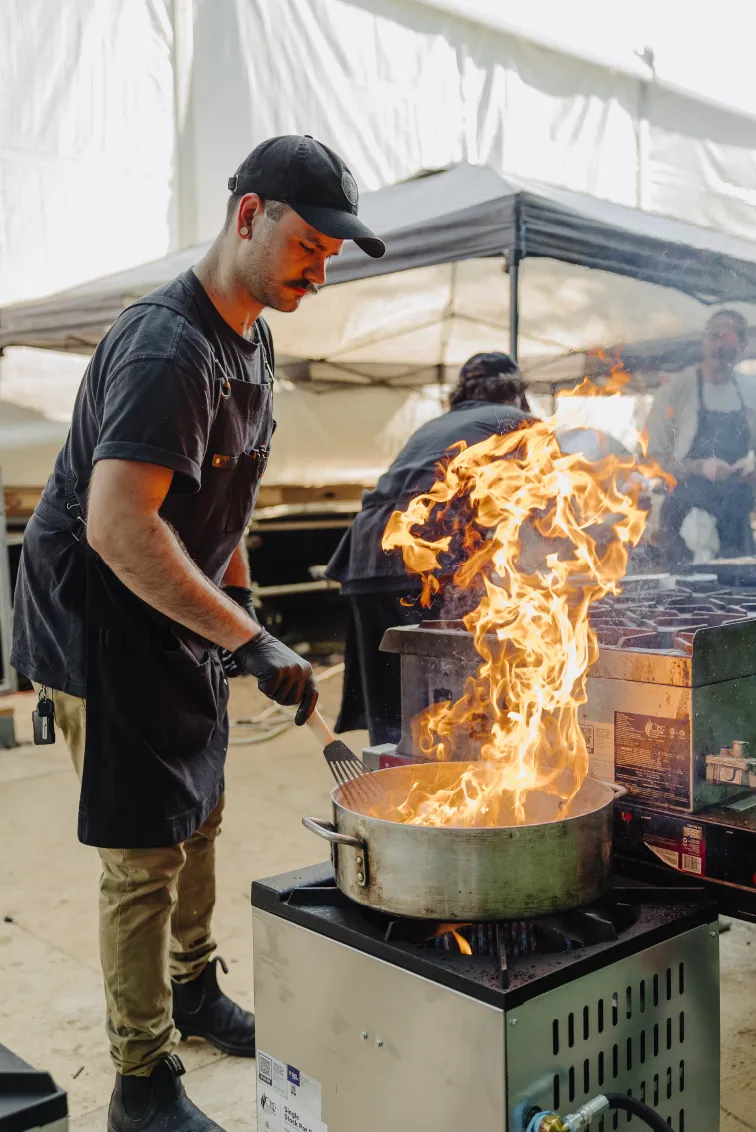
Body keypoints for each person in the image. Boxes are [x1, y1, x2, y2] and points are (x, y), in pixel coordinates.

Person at [11, 135, 384, 1132]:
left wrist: (242, 622)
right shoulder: (167, 343)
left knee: (204, 803)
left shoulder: (253, 337)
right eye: (312, 242)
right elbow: (120, 523)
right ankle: (140, 1080)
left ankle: (193, 990)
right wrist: (253, 643)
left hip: (177, 613)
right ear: (249, 214)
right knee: (144, 854)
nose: (324, 265)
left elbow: (215, 511)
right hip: (101, 621)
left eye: (335, 251)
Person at [326, 352, 531, 747]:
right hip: (426, 556)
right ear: (517, 392)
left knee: (391, 699)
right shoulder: (521, 424)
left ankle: (390, 787)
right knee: (450, 695)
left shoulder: (438, 424)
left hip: (367, 554)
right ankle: (443, 789)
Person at [646, 309, 756, 565]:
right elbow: (653, 458)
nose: (720, 346)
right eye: (715, 337)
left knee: (736, 594)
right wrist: (699, 467)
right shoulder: (675, 392)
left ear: (742, 345)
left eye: (728, 339)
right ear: (704, 341)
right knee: (681, 597)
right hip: (682, 520)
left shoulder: (751, 390)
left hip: (734, 518)